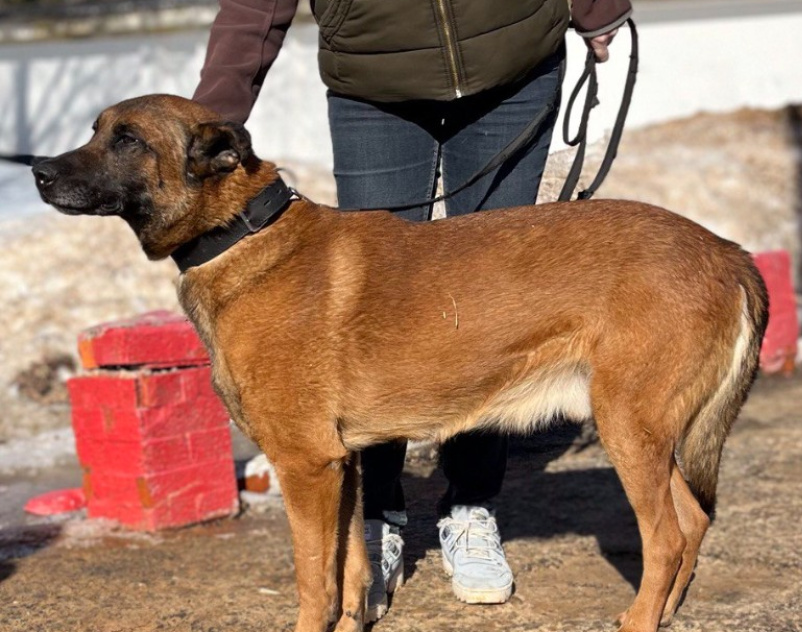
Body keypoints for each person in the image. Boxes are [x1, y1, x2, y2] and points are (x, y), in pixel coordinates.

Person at [193, 0, 631, 622]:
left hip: (511, 54)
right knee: (369, 323)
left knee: (492, 311)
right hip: (376, 78)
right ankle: (375, 515)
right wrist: (202, 132)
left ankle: (471, 505)